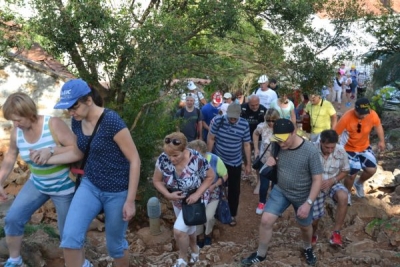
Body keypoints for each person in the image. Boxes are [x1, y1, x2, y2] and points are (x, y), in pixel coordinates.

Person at [53, 79, 141, 267]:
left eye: (73, 106)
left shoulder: (111, 121)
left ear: (88, 100)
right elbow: (79, 151)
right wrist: (51, 153)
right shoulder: (77, 122)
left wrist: (130, 201)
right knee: (69, 239)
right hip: (90, 185)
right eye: (68, 108)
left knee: (115, 246)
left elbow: (135, 160)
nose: (71, 112)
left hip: (117, 191)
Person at [0, 92, 83, 267]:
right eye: (12, 120)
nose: (15, 124)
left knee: (68, 232)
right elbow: (10, 157)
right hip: (37, 184)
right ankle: (15, 260)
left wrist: (51, 151)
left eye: (18, 120)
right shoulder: (17, 132)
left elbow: (77, 148)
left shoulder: (52, 124)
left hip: (63, 187)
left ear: (29, 113)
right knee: (13, 218)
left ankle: (78, 263)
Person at [241, 119, 322, 266]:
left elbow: (317, 180)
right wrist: (272, 160)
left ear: (294, 132)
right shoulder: (277, 145)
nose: (281, 144)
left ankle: (308, 248)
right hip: (281, 190)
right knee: (265, 220)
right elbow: (275, 160)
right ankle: (260, 254)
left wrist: (308, 203)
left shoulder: (311, 151)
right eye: (278, 140)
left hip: (302, 194)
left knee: (305, 226)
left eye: (283, 140)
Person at [152, 132, 213, 267]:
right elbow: (156, 180)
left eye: (175, 155)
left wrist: (197, 194)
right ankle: (196, 250)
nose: (172, 159)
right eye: (169, 155)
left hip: (196, 199)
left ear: (184, 149)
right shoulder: (163, 159)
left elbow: (210, 177)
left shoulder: (197, 159)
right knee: (188, 228)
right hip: (177, 199)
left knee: (179, 231)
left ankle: (182, 259)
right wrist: (167, 195)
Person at [334, 98, 385, 206]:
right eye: (360, 113)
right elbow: (335, 134)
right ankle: (346, 192)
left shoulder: (372, 114)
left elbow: (378, 126)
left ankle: (359, 183)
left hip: (364, 147)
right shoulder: (346, 118)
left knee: (372, 169)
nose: (363, 116)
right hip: (348, 148)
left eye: (365, 113)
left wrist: (382, 141)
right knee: (352, 172)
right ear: (355, 109)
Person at [207, 103, 251, 227]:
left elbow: (246, 144)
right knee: (217, 186)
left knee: (234, 189)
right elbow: (211, 138)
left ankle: (232, 213)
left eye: (234, 117)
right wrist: (208, 158)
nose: (232, 119)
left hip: (235, 162)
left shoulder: (244, 124)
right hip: (219, 160)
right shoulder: (218, 121)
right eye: (230, 116)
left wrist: (248, 164)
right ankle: (215, 212)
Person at [311, 130, 350, 247]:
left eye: (332, 147)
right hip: (315, 185)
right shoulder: (311, 149)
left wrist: (332, 180)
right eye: (327, 147)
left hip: (333, 182)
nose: (330, 150)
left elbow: (345, 170)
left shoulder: (340, 151)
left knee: (344, 196)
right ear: (321, 142)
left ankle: (336, 233)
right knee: (314, 219)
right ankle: (313, 233)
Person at [187, 140, 228, 247]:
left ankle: (208, 234)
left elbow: (225, 175)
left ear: (205, 152)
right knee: (198, 215)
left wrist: (214, 185)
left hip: (212, 192)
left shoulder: (214, 160)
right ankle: (200, 236)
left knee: (209, 216)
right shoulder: (188, 161)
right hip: (196, 193)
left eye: (199, 154)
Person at [252, 109, 280, 215]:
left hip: (278, 162)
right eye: (268, 120)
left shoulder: (281, 127)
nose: (271, 123)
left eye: (273, 120)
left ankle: (273, 205)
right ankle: (262, 202)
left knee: (275, 185)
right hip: (265, 160)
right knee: (263, 185)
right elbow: (255, 134)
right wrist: (256, 148)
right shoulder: (262, 126)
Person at [240, 95, 267, 194]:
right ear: (248, 103)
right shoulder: (242, 108)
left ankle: (259, 182)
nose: (255, 107)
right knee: (244, 157)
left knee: (258, 160)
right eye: (252, 105)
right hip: (245, 139)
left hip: (258, 139)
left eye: (257, 105)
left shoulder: (264, 110)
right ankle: (247, 170)